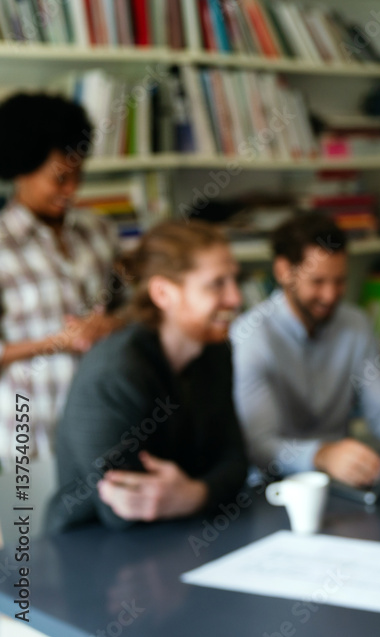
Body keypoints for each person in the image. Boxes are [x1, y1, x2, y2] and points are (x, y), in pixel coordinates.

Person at [46, 221, 248, 532]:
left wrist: (194, 495)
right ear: (163, 293)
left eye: (234, 279)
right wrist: (203, 491)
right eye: (216, 284)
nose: (235, 298)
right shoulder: (116, 372)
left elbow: (235, 463)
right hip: (91, 550)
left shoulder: (215, 352)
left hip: (182, 534)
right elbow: (124, 507)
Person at [231, 214, 380, 487]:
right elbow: (259, 445)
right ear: (284, 271)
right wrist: (321, 455)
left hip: (342, 481)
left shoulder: (356, 324)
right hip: (276, 488)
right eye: (317, 282)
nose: (330, 295)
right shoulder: (250, 335)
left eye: (340, 281)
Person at [0, 92, 121, 458]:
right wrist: (56, 341)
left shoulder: (98, 231)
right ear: (21, 170)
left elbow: (135, 309)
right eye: (60, 178)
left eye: (79, 175)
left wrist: (110, 325)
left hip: (107, 420)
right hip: (28, 431)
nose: (71, 190)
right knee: (26, 516)